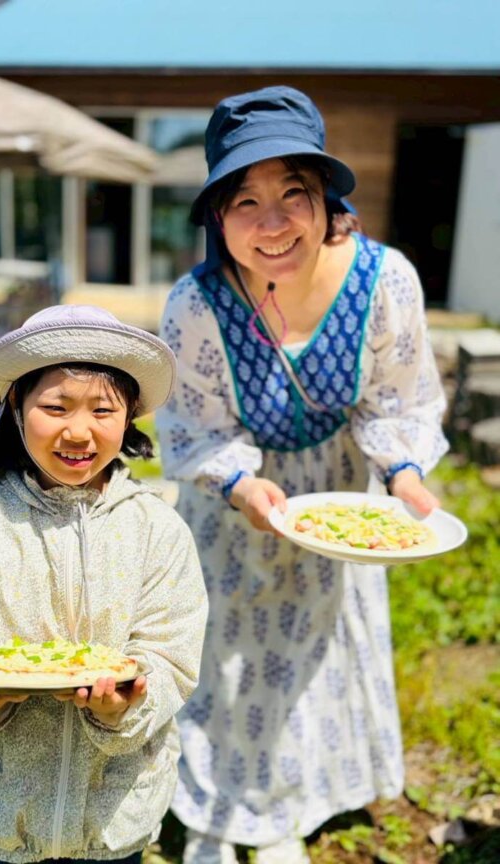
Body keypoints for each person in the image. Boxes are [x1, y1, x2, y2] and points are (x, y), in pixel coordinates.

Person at [155, 86, 449, 864]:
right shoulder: (195, 304)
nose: (274, 222)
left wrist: (406, 474)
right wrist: (241, 484)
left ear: (327, 202)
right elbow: (191, 423)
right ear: (217, 217)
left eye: (295, 193)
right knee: (225, 653)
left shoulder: (385, 282)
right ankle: (220, 815)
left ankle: (287, 809)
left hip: (338, 490)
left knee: (313, 650)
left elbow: (399, 397)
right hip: (235, 500)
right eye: (244, 200)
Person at [0, 304, 208, 864]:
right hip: (0, 816)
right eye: (55, 406)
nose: (79, 430)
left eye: (103, 409)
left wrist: (122, 708)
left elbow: (170, 658)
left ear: (128, 420)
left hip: (114, 813)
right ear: (16, 408)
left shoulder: (158, 530)